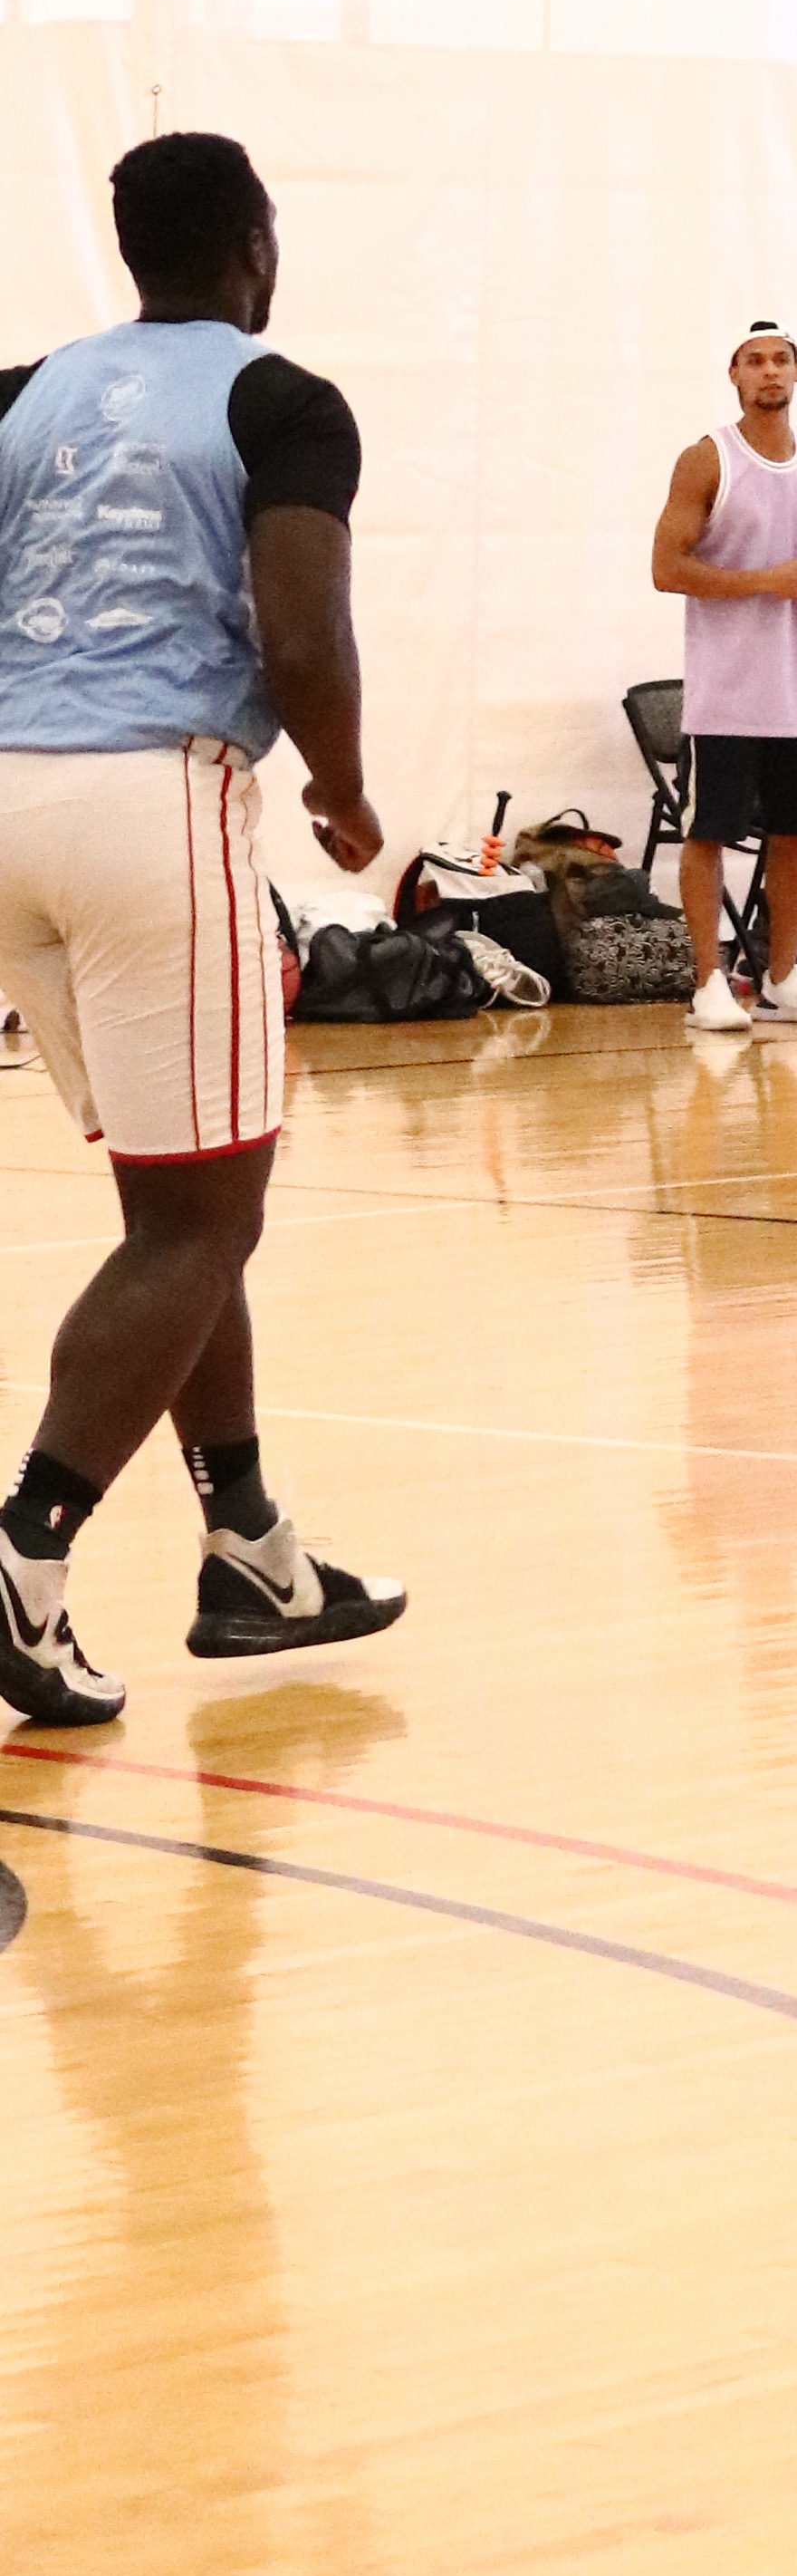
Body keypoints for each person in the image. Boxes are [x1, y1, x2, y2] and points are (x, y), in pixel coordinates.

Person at [0, 130, 406, 1728]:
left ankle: (250, 1550)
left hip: (6, 806)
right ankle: (25, 1554)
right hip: (150, 806)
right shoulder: (281, 401)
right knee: (198, 1226)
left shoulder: (20, 393)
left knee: (180, 1201)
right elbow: (303, 634)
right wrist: (345, 794)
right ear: (257, 246)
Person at [651, 319, 797, 1037]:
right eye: (755, 361)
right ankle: (707, 984)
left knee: (794, 835)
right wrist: (759, 582)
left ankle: (782, 980)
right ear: (735, 375)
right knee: (708, 835)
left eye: (781, 359)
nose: (769, 370)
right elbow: (666, 568)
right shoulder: (706, 459)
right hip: (725, 695)